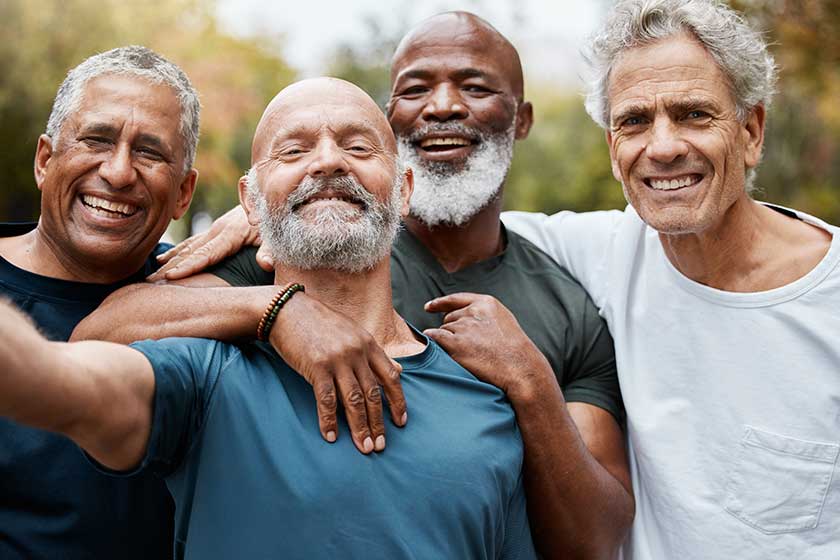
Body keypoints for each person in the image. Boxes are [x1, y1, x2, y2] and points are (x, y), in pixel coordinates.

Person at [74, 13, 634, 558]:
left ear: (521, 119)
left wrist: (531, 382)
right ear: (392, 117)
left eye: (474, 86)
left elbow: (594, 543)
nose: (442, 105)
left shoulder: (569, 305)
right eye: (415, 89)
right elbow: (112, 328)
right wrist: (278, 306)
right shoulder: (285, 252)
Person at [0, 77, 538, 560]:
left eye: (357, 146)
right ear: (251, 205)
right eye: (294, 150)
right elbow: (57, 372)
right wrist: (278, 308)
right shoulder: (202, 370)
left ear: (403, 191)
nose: (328, 162)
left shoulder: (486, 401)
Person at [500, 1, 840, 558]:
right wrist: (326, 309)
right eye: (634, 121)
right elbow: (421, 234)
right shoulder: (599, 252)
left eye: (694, 114)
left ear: (751, 132)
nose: (662, 148)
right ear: (613, 149)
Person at [0, 46, 198, 559]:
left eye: (150, 152)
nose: (119, 172)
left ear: (183, 193)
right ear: (45, 160)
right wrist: (273, 309)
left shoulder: (206, 288)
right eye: (97, 140)